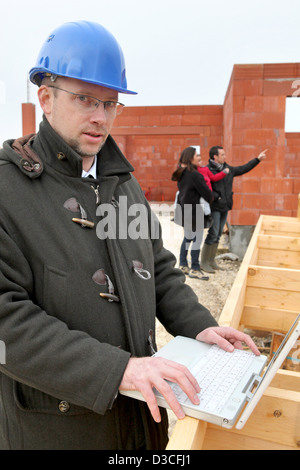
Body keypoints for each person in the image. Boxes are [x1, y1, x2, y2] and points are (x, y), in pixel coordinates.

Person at [0, 21, 260, 450]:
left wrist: (198, 327)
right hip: (59, 428)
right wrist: (118, 370)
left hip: (140, 421)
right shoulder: (9, 189)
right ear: (45, 98)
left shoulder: (122, 183)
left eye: (110, 102)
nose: (100, 116)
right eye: (84, 99)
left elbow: (157, 267)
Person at [201, 145, 268, 273]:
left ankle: (212, 261)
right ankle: (204, 262)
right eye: (222, 155)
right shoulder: (207, 169)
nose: (225, 156)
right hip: (215, 207)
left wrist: (258, 159)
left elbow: (243, 169)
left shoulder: (228, 169)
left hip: (225, 207)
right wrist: (216, 197)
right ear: (215, 156)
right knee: (213, 233)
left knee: (218, 234)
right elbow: (205, 187)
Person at [171, 147, 213, 280]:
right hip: (196, 211)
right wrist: (214, 197)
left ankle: (183, 264)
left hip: (185, 209)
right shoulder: (195, 175)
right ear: (190, 158)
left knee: (188, 237)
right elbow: (207, 194)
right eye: (197, 155)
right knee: (196, 239)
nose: (199, 158)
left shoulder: (181, 173)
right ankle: (195, 268)